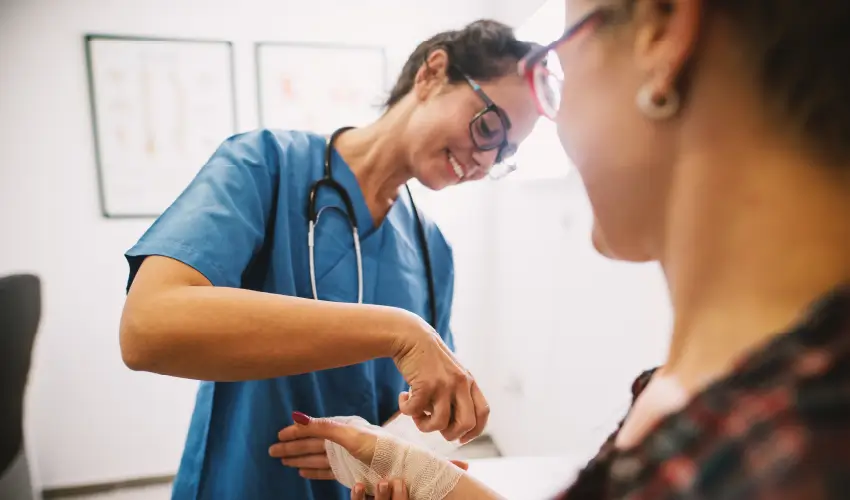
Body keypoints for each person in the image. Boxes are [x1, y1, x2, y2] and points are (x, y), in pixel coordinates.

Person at [277, 0, 850, 498]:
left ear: (664, 29)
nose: (563, 116)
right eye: (490, 129)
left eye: (562, 71)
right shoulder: (722, 403)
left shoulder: (778, 454)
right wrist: (414, 470)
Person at [118, 19, 540, 500]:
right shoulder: (265, 165)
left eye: (503, 155)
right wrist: (398, 331)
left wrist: (395, 448)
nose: (485, 162)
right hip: (245, 483)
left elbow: (421, 404)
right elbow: (146, 329)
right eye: (489, 127)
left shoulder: (431, 248)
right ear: (432, 74)